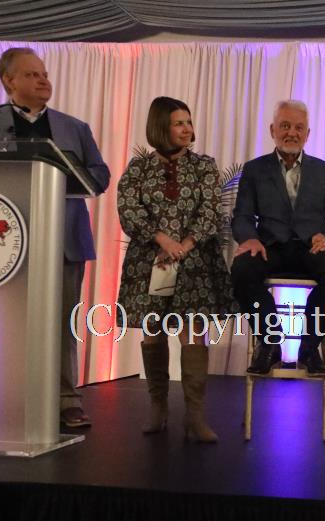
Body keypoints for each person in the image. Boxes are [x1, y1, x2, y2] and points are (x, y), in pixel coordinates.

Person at [0, 47, 110, 429]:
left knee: (61, 323)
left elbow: (100, 175)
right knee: (1, 325)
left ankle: (66, 400)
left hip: (63, 239)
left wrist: (67, 173)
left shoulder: (75, 128)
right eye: (32, 74)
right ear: (8, 80)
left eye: (44, 74)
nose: (43, 80)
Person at [116, 97, 234, 443]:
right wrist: (162, 240)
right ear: (160, 127)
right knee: (153, 330)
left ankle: (195, 415)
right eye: (178, 123)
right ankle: (158, 407)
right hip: (149, 261)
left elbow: (211, 211)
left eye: (188, 122)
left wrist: (186, 244)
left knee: (193, 332)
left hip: (194, 263)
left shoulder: (204, 166)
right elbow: (128, 209)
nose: (187, 129)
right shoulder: (138, 168)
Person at [230, 100, 325, 377]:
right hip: (269, 247)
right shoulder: (255, 169)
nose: (292, 133)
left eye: (299, 128)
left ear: (308, 134)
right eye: (285, 126)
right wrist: (249, 238)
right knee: (242, 269)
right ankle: (270, 341)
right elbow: (242, 215)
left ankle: (308, 346)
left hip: (311, 249)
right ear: (273, 130)